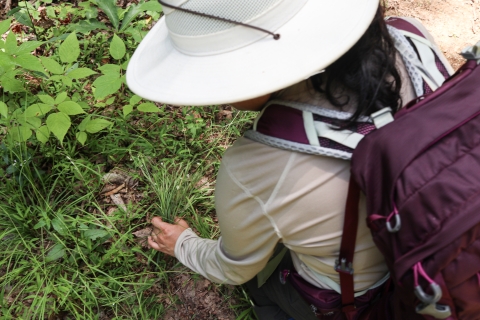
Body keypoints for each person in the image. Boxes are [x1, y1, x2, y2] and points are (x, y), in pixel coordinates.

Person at [126, 0, 453, 319]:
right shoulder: (411, 40)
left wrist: (183, 244)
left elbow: (235, 268)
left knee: (264, 284)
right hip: (455, 244)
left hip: (370, 291)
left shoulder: (256, 165)